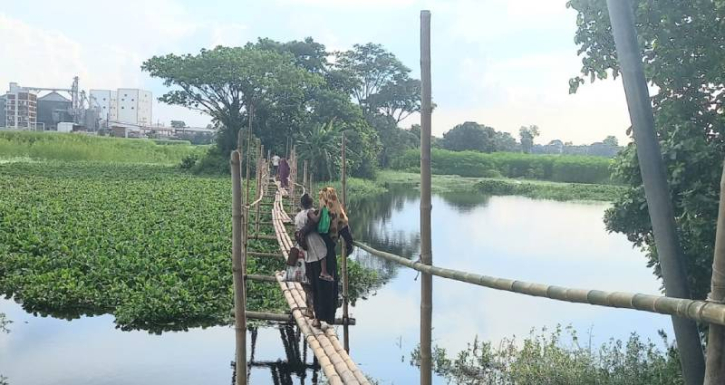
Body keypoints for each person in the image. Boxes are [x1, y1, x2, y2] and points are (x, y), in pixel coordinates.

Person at [315, 186, 354, 327]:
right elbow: (345, 231)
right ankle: (329, 317)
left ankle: (317, 317)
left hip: (316, 253)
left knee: (317, 284)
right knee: (330, 283)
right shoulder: (337, 213)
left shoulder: (319, 212)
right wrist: (349, 247)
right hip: (329, 252)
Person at [294, 193, 331, 325]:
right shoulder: (310, 212)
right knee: (323, 252)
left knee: (308, 281)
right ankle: (324, 271)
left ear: (301, 204)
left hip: (303, 246)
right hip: (312, 241)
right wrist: (320, 210)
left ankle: (310, 310)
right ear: (310, 203)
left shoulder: (298, 215)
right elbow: (315, 221)